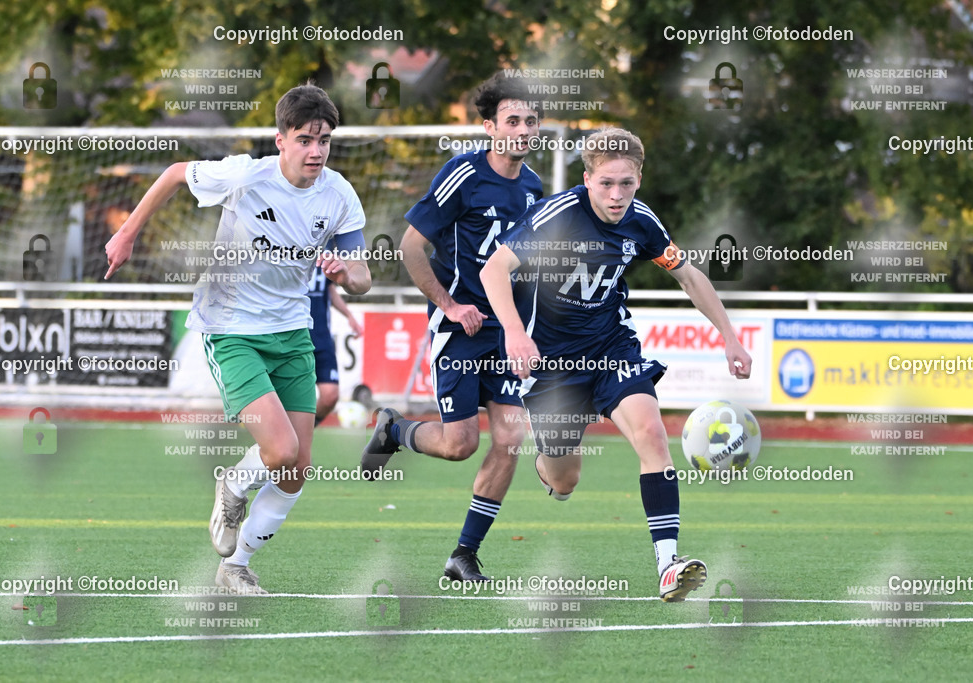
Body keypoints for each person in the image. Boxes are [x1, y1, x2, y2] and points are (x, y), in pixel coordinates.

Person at [104, 84, 371, 594]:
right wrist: (129, 232)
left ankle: (235, 566)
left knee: (297, 469)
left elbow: (362, 277)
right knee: (280, 451)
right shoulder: (246, 175)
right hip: (231, 329)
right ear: (281, 140)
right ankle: (233, 482)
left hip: (293, 333)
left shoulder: (339, 194)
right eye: (305, 139)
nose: (316, 151)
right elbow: (175, 173)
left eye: (325, 140)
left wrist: (346, 274)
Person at [479, 126, 752, 602]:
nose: (616, 194)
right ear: (587, 179)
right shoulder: (556, 215)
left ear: (639, 179)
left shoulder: (642, 223)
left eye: (626, 183)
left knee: (650, 433)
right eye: (606, 183)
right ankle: (548, 471)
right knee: (565, 477)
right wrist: (515, 333)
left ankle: (668, 566)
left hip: (611, 349)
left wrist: (730, 337)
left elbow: (688, 277)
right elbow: (493, 269)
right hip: (551, 364)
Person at [361, 73, 544, 582]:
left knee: (510, 437)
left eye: (531, 121)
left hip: (505, 333)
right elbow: (410, 247)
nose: (524, 129)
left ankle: (463, 554)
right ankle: (394, 429)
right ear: (490, 128)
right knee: (460, 445)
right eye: (513, 121)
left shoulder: (533, 188)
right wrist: (450, 304)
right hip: (460, 330)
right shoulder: (462, 174)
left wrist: (525, 326)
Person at [307, 266, 364, 425]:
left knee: (330, 396)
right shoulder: (286, 251)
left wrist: (349, 315)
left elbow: (329, 289)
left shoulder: (324, 251)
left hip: (322, 338)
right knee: (295, 399)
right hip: (294, 339)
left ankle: (306, 430)